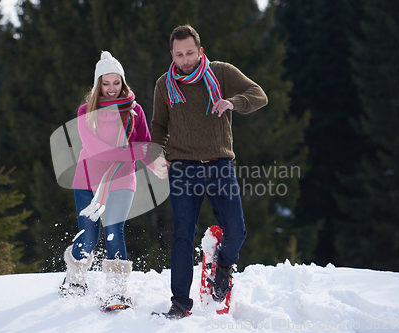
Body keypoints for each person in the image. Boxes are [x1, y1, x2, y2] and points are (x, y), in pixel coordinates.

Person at [151, 25, 268, 319]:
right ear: (172, 54)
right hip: (183, 169)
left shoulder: (221, 73)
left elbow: (259, 95)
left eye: (190, 52)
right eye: (179, 55)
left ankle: (223, 267)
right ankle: (180, 303)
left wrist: (233, 102)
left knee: (237, 230)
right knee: (182, 235)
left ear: (200, 51)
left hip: (219, 165)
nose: (185, 59)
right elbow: (159, 125)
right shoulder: (164, 84)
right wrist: (157, 155)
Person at [60, 51, 151, 311]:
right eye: (106, 83)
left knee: (113, 229)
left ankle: (116, 292)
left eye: (116, 83)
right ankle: (75, 279)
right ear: (98, 83)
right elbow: (97, 150)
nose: (112, 89)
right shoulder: (85, 112)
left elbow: (145, 143)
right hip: (88, 178)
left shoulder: (134, 110)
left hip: (123, 177)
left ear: (123, 82)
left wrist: (159, 163)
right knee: (89, 236)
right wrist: (133, 153)